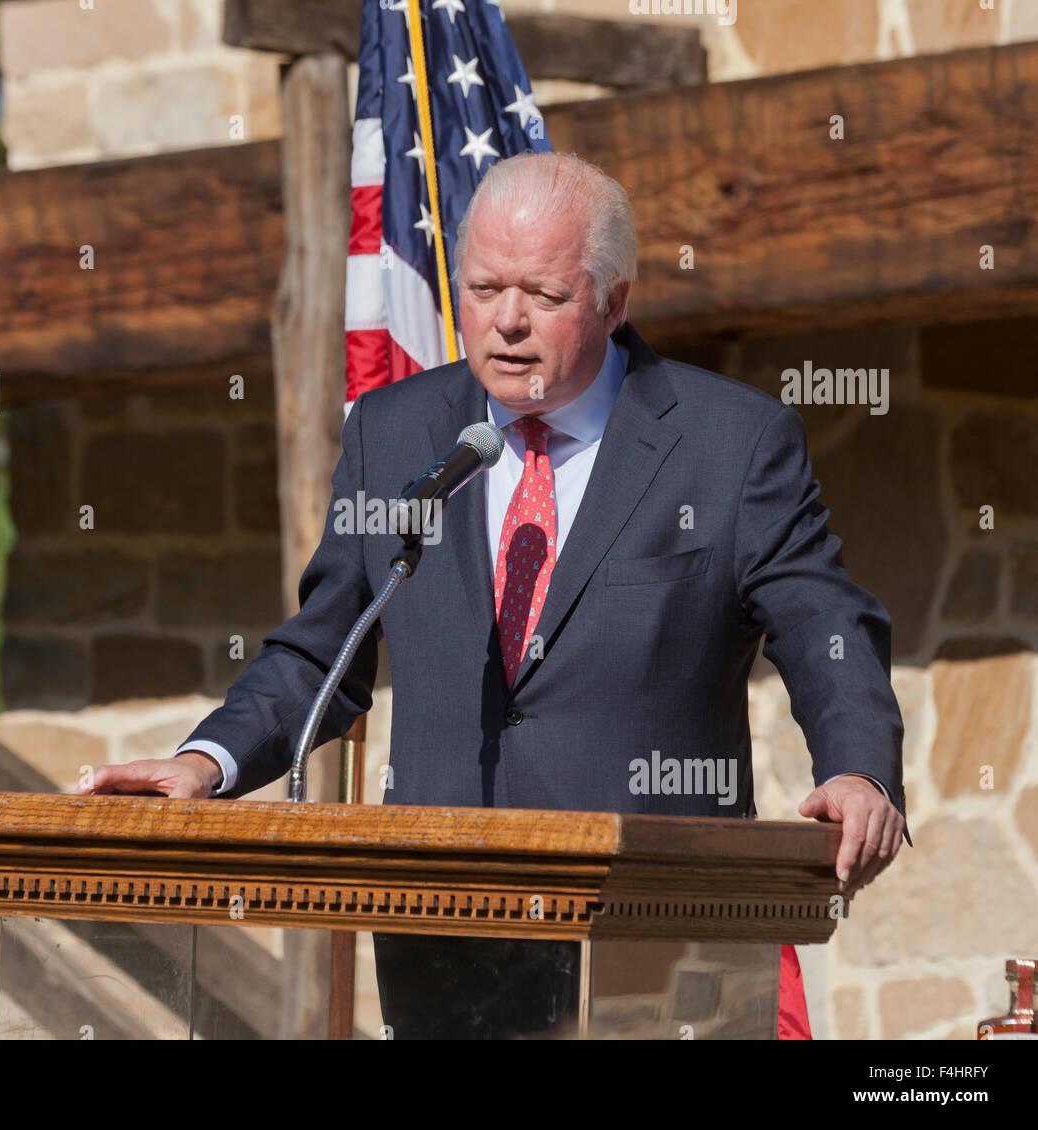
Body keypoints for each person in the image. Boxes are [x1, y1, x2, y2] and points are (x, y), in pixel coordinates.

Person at [78, 151, 908, 1037]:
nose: (506, 322)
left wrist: (857, 769)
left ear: (613, 300)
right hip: (445, 935)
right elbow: (323, 650)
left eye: (544, 296)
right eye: (481, 289)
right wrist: (207, 762)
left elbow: (827, 625)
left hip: (657, 936)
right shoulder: (395, 436)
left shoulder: (729, 443)